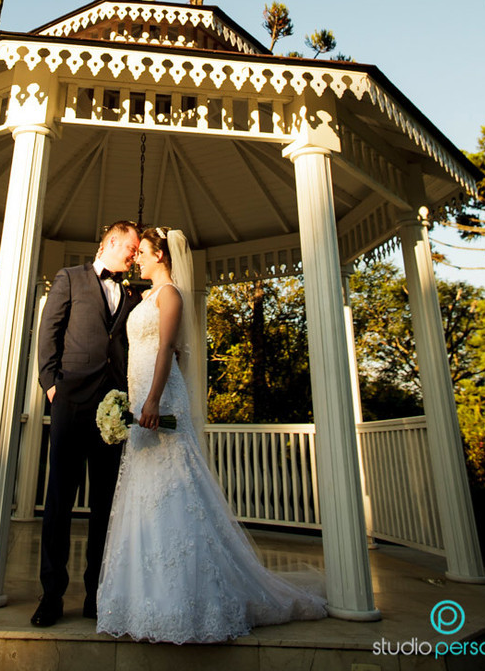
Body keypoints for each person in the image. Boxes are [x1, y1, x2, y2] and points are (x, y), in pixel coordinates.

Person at [96, 227, 328, 644]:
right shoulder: (144, 297)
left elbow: (166, 349)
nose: (139, 260)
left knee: (173, 489)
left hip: (161, 399)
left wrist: (151, 401)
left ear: (162, 256)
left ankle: (185, 601)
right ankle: (141, 599)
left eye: (144, 253)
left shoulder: (170, 296)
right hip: (138, 399)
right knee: (143, 492)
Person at [31, 220, 142, 628]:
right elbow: (49, 333)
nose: (134, 256)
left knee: (105, 506)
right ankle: (52, 595)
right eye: (131, 248)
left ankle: (97, 591)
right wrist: (50, 385)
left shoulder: (131, 294)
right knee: (59, 500)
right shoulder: (70, 278)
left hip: (112, 408)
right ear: (112, 241)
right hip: (71, 403)